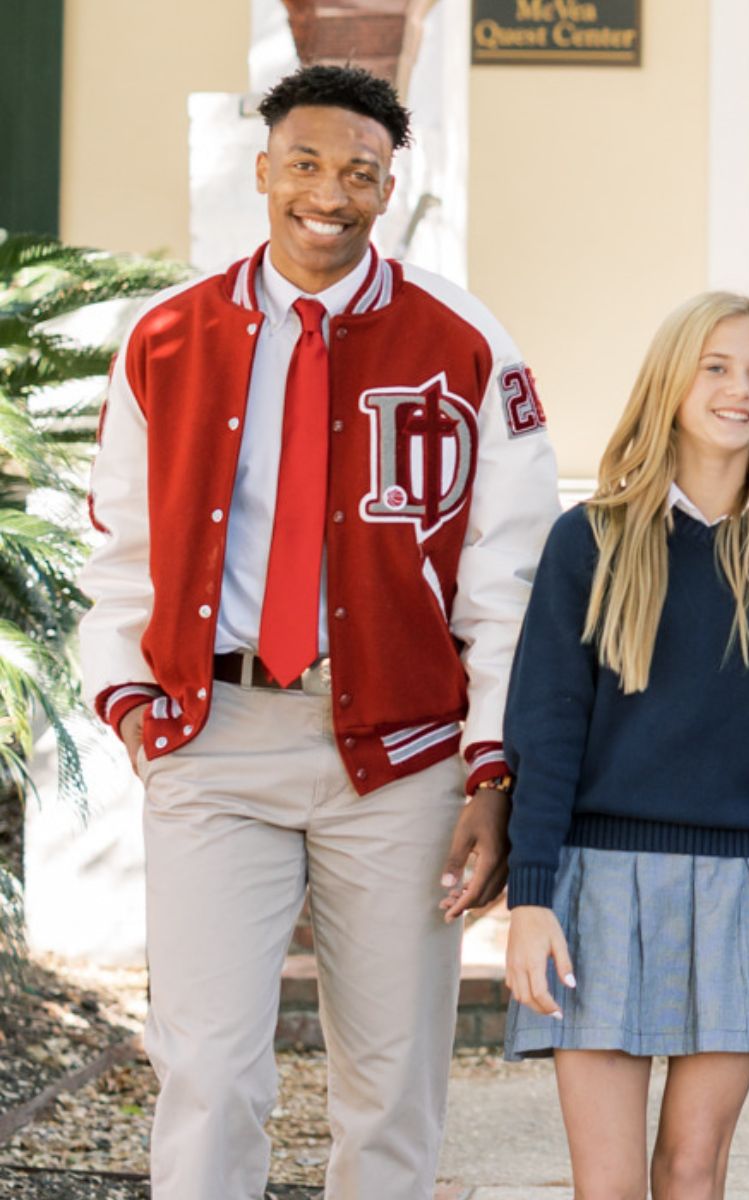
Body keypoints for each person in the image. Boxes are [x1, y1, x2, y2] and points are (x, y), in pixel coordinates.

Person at [76, 64, 561, 1198]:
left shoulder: (464, 339)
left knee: (391, 1086)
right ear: (263, 173)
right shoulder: (167, 338)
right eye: (304, 164)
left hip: (399, 755)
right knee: (207, 1072)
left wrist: (491, 771)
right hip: (216, 735)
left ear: (392, 186)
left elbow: (510, 581)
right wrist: (135, 708)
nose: (328, 192)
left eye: (359, 172)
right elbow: (123, 548)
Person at [499, 291, 749, 1198]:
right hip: (598, 881)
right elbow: (546, 729)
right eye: (718, 366)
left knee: (693, 1174)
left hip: (742, 886)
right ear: (672, 381)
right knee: (610, 1187)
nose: (741, 390)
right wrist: (531, 896)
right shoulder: (592, 539)